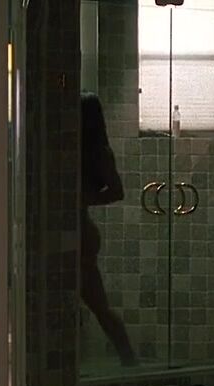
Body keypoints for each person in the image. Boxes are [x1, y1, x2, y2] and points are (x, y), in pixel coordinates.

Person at [80, 92, 137, 366]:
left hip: (81, 233)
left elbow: (117, 191)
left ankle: (129, 360)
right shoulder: (65, 147)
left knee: (98, 304)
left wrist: (84, 199)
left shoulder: (98, 152)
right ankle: (129, 360)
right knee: (96, 304)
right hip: (79, 231)